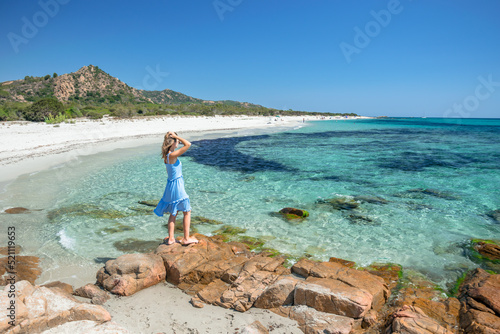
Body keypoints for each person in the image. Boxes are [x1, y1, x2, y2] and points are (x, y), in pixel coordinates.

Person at [154, 131, 199, 246]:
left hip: (170, 186)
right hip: (177, 186)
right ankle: (186, 238)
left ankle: (171, 239)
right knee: (187, 211)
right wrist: (176, 136)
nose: (178, 142)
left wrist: (173, 137)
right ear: (172, 143)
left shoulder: (166, 156)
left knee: (174, 213)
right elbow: (188, 144)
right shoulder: (172, 155)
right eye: (177, 142)